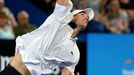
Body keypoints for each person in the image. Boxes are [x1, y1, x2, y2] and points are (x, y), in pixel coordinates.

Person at [0, 0, 94, 75]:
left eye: (87, 17)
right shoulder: (60, 18)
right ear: (72, 15)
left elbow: (67, 73)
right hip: (14, 70)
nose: (86, 16)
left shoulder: (75, 53)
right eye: (82, 14)